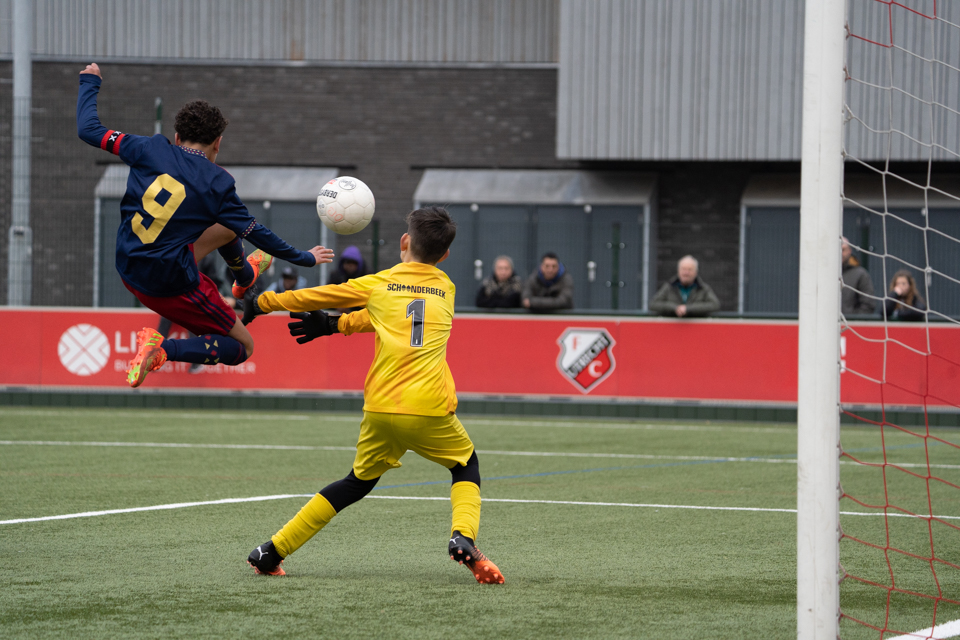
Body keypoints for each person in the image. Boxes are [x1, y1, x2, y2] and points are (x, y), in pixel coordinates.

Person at [242, 207, 504, 585]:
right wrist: (336, 325)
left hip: (381, 407)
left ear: (404, 242)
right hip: (429, 408)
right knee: (465, 466)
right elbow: (395, 317)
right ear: (445, 255)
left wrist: (264, 303)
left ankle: (271, 551)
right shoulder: (446, 288)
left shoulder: (380, 283)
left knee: (355, 483)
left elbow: (326, 295)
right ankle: (462, 536)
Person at [77, 63, 332, 387]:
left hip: (128, 264)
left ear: (177, 136)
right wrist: (305, 257)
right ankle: (162, 349)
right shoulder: (217, 183)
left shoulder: (148, 147)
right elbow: (258, 233)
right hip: (171, 285)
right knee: (243, 346)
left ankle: (243, 280)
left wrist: (90, 82)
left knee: (224, 226)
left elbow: (87, 129)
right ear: (218, 144)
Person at [650, 255, 720, 317]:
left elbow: (714, 305)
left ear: (696, 272)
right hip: (672, 329)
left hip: (697, 328)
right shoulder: (669, 287)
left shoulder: (703, 288)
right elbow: (653, 304)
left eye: (690, 270)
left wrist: (688, 309)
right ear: (678, 271)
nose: (686, 273)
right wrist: (675, 308)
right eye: (683, 269)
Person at [842, 237, 876, 316]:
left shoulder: (860, 274)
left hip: (850, 325)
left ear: (849, 251)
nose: (840, 253)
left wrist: (853, 319)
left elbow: (868, 304)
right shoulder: (822, 275)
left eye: (843, 250)